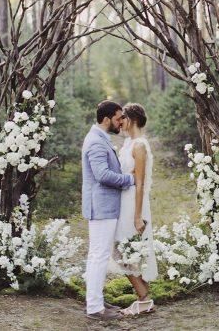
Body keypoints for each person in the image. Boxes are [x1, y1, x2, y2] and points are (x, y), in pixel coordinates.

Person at [82, 100, 135, 321]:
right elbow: (102, 175)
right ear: (106, 119)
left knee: (99, 255)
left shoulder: (100, 138)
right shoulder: (96, 142)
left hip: (105, 207)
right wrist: (131, 179)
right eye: (117, 118)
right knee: (99, 256)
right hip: (101, 207)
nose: (120, 122)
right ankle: (94, 308)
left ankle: (97, 300)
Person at [108, 103, 158, 316]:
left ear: (133, 120)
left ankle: (144, 299)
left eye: (123, 119)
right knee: (122, 250)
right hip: (123, 201)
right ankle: (145, 298)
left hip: (134, 204)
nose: (120, 122)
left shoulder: (140, 145)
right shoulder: (127, 143)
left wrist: (138, 217)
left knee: (127, 250)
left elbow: (139, 183)